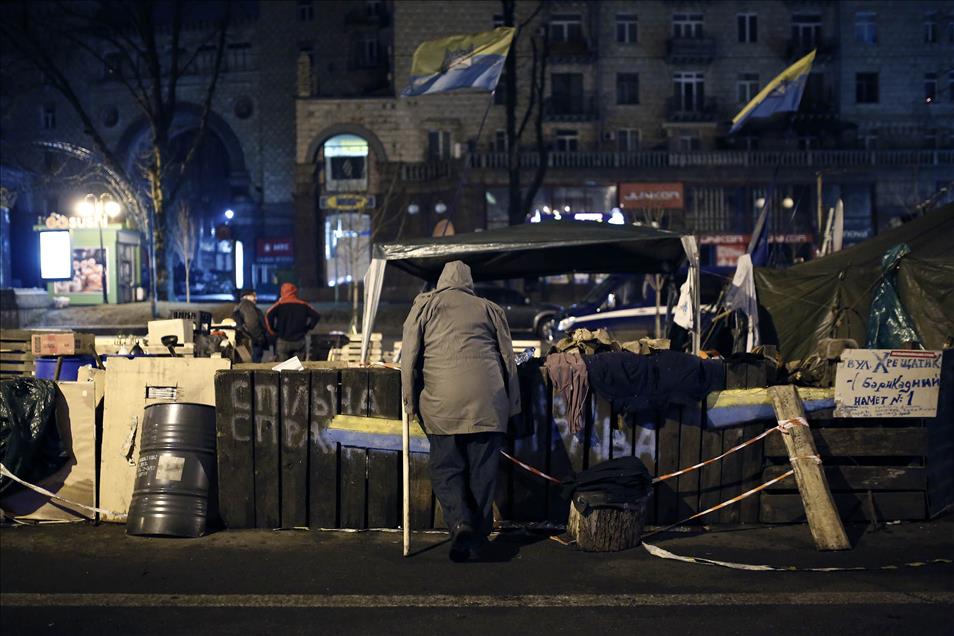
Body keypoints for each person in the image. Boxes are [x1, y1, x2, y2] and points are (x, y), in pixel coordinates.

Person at [401, 260, 520, 562]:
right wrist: (513, 405)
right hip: (488, 404)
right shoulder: (489, 308)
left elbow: (409, 356)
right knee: (483, 474)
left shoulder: (426, 306)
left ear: (442, 280)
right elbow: (508, 359)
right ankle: (476, 539)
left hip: (443, 402)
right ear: (469, 282)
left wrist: (408, 401)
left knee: (445, 469)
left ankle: (460, 524)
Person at [266, 282, 320, 361]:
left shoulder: (278, 305)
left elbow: (268, 316)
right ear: (295, 292)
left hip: (283, 340)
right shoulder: (303, 305)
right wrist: (308, 328)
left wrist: (273, 331)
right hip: (299, 340)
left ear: (282, 292)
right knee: (298, 368)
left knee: (282, 368)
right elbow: (316, 315)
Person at [232, 288, 268, 362]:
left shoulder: (242, 306)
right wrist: (260, 338)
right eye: (253, 296)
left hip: (250, 339)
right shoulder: (247, 306)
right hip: (253, 340)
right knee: (254, 365)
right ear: (246, 297)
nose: (256, 298)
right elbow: (252, 323)